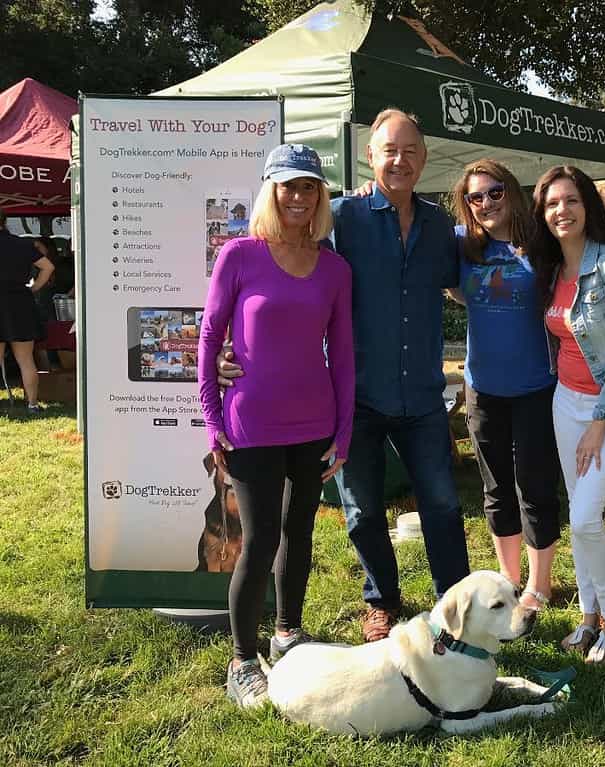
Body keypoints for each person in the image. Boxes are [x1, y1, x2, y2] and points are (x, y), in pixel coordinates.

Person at [218, 109, 470, 643]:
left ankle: (456, 607)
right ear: (371, 158)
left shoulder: (439, 230)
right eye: (388, 151)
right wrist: (226, 348)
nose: (399, 161)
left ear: (424, 160)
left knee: (443, 505)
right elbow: (278, 275)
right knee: (362, 512)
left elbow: (467, 283)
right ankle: (383, 603)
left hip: (424, 394)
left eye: (410, 151)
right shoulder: (344, 220)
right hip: (357, 396)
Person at [198, 144, 354, 708]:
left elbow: (343, 353)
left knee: (301, 533)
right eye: (288, 186)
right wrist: (213, 421)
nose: (298, 196)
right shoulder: (239, 255)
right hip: (250, 425)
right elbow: (209, 338)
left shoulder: (334, 268)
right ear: (271, 191)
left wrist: (343, 431)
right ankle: (243, 660)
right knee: (260, 539)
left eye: (309, 187)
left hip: (312, 424)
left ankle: (288, 633)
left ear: (319, 197)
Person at [530, 166, 605, 664]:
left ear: (588, 207)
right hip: (566, 400)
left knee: (583, 517)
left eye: (572, 201)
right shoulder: (548, 267)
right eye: (553, 203)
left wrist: (601, 421)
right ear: (543, 212)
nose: (562, 210)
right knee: (581, 514)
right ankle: (587, 617)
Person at [451, 159, 561, 611]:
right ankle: (508, 581)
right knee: (495, 488)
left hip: (536, 384)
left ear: (512, 191)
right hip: (483, 388)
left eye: (494, 192)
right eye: (474, 197)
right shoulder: (461, 245)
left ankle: (539, 585)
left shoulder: (541, 243)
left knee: (534, 485)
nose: (485, 203)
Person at [0, 209, 54, 412]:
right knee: (25, 359)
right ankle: (32, 404)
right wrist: (34, 288)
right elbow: (48, 267)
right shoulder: (22, 244)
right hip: (19, 303)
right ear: (5, 222)